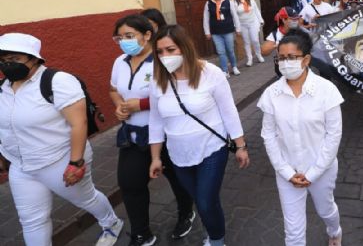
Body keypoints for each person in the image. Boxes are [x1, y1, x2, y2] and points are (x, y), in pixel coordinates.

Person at [0, 33, 123, 246]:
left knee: (86, 198)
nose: (8, 65)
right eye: (3, 60)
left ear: (34, 58)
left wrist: (76, 163)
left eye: (15, 59)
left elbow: (79, 123)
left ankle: (111, 222)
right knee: (31, 220)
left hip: (60, 159)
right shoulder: (3, 88)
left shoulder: (58, 81)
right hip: (22, 167)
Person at [148, 25, 250, 246]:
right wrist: (156, 157)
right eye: (160, 51)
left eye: (171, 49)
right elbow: (156, 122)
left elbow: (229, 111)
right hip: (178, 154)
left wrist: (240, 146)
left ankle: (216, 241)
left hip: (211, 148)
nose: (165, 56)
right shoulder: (158, 80)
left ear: (185, 47)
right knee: (204, 201)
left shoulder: (210, 73)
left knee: (204, 201)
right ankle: (212, 231)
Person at [109, 15, 194, 245]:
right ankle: (141, 233)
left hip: (166, 133)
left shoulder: (163, 60)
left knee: (178, 179)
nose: (124, 42)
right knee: (130, 183)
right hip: (133, 134)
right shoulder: (120, 62)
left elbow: (177, 94)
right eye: (120, 38)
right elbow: (114, 89)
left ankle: (186, 212)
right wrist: (119, 105)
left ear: (147, 35)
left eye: (129, 36)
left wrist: (142, 104)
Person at [259, 29, 344, 246]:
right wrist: (287, 172)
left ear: (306, 59)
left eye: (291, 58)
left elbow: (333, 135)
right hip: (287, 173)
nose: (285, 63)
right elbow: (268, 135)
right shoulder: (271, 94)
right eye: (281, 58)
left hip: (321, 169)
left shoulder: (327, 91)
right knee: (294, 232)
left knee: (326, 210)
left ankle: (334, 231)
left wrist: (314, 172)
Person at [202, 0, 241, 77]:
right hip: (216, 32)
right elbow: (205, 18)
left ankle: (234, 66)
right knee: (221, 52)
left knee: (230, 50)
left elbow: (235, 16)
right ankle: (225, 70)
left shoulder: (228, 2)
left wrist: (238, 28)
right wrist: (207, 32)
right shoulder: (208, 3)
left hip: (228, 30)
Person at [233, 0, 265, 67]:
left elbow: (256, 10)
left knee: (255, 40)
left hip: (253, 22)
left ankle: (258, 55)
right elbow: (234, 16)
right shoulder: (234, 2)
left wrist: (261, 20)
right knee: (246, 42)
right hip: (242, 24)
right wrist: (237, 28)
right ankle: (249, 59)